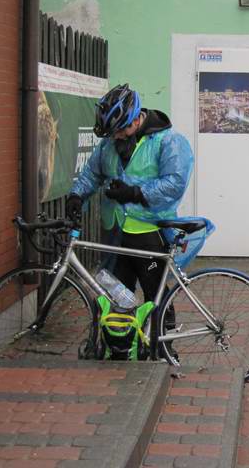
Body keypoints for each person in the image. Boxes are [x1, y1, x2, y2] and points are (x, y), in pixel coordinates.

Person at [66, 84, 194, 330]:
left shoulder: (168, 141)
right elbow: (93, 173)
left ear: (136, 119)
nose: (116, 137)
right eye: (112, 133)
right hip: (115, 230)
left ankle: (163, 344)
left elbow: (175, 183)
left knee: (154, 292)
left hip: (149, 232)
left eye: (120, 130)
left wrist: (135, 193)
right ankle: (123, 344)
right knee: (117, 292)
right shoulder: (110, 143)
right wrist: (76, 195)